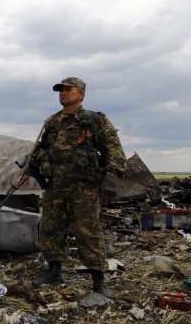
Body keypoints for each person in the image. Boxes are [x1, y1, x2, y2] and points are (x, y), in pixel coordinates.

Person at [27, 76, 126, 297]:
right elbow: (42, 148)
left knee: (88, 232)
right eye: (60, 90)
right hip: (55, 186)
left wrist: (111, 175)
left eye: (68, 89)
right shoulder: (52, 122)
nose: (63, 93)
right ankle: (54, 272)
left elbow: (112, 146)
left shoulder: (92, 119)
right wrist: (36, 162)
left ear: (81, 94)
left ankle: (98, 281)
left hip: (84, 187)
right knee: (51, 229)